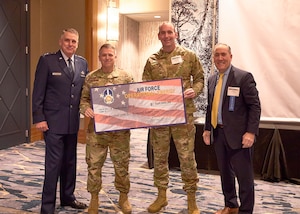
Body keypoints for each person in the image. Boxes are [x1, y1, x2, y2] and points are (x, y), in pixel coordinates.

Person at [142, 22, 204, 214]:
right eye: (163, 33)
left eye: (170, 32)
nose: (167, 36)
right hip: (159, 117)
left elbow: (200, 78)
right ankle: (161, 197)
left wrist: (196, 89)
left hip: (183, 115)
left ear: (175, 34)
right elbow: (144, 86)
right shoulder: (152, 60)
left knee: (186, 157)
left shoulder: (189, 55)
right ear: (159, 36)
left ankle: (191, 200)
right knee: (160, 157)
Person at [32, 28, 89, 213]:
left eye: (74, 41)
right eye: (67, 40)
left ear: (77, 43)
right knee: (53, 165)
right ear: (60, 41)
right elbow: (38, 92)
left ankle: (67, 197)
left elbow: (84, 93)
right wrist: (39, 118)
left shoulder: (82, 63)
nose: (70, 44)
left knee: (70, 162)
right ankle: (47, 207)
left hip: (72, 124)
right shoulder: (47, 61)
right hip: (53, 123)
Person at [202, 43, 261, 214]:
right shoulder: (212, 79)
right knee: (225, 174)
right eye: (217, 55)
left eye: (223, 54)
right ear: (213, 58)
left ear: (230, 56)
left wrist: (251, 132)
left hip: (239, 136)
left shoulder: (243, 77)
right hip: (218, 134)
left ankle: (246, 211)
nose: (220, 58)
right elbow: (210, 106)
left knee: (244, 177)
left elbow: (255, 106)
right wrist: (207, 128)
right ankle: (231, 205)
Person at [80, 43, 133, 214]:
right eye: (104, 55)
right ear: (99, 57)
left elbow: (134, 100)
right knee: (94, 165)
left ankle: (123, 196)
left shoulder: (126, 77)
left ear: (115, 56)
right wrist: (85, 109)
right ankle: (94, 198)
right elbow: (84, 99)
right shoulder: (91, 77)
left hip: (120, 132)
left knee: (121, 166)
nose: (107, 58)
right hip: (97, 131)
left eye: (110, 55)